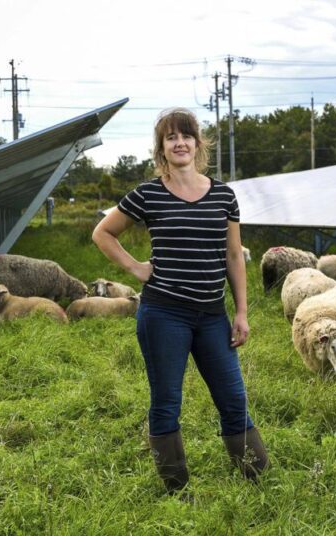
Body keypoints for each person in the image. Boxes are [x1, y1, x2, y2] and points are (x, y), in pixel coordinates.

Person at [91, 107, 268, 493]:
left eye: (186, 135)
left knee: (233, 398)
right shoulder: (148, 194)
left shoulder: (223, 195)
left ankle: (257, 477)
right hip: (163, 314)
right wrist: (136, 268)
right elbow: (103, 233)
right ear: (161, 148)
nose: (180, 143)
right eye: (171, 137)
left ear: (197, 143)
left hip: (211, 316)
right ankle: (176, 487)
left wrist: (240, 311)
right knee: (167, 400)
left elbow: (234, 255)